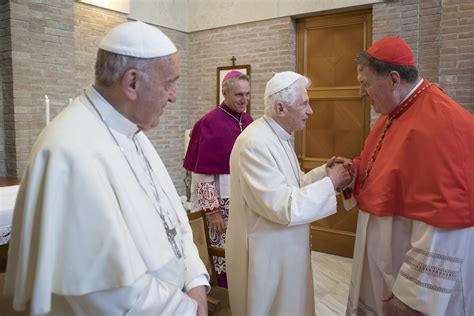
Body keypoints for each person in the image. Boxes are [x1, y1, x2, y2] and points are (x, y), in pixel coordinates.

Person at [4, 21, 210, 315]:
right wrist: (188, 310)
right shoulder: (70, 151)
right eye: (168, 84)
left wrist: (195, 283)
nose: (173, 96)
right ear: (132, 83)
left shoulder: (132, 132)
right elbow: (107, 295)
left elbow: (175, 226)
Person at [339, 37, 474, 315]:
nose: (361, 93)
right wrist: (353, 173)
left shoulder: (441, 123)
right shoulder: (396, 112)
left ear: (393, 79)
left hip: (409, 273)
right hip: (388, 260)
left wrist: (415, 293)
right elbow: (386, 170)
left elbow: (445, 217)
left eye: (365, 83)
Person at [226, 71, 352, 315]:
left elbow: (293, 186)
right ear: (281, 107)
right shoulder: (255, 143)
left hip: (285, 252)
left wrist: (325, 174)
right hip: (266, 258)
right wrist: (331, 183)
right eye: (304, 103)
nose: (310, 110)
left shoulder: (278, 137)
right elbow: (282, 205)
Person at [183, 71, 252, 288]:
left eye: (248, 94)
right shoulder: (208, 123)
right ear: (225, 92)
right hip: (221, 206)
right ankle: (225, 298)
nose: (245, 100)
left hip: (245, 203)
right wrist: (213, 212)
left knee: (242, 253)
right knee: (221, 255)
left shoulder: (248, 121)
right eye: (239, 94)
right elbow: (202, 172)